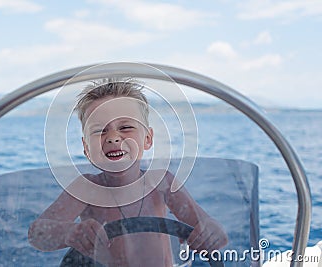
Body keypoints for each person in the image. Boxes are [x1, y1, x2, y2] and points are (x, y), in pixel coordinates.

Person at [28, 78, 228, 266]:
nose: (113, 137)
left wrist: (211, 232)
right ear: (87, 148)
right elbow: (37, 234)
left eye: (125, 127)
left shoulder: (161, 182)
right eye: (100, 131)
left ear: (147, 139)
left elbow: (212, 229)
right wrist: (69, 232)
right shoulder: (86, 188)